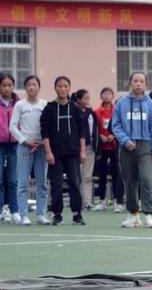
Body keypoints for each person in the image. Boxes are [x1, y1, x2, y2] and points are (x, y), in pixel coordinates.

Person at [112, 72, 152, 228]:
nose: (138, 84)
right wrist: (125, 141)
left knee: (147, 178)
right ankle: (133, 214)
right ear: (130, 83)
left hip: (145, 146)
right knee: (130, 182)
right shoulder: (121, 103)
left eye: (141, 81)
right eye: (135, 81)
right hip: (127, 148)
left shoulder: (151, 105)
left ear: (146, 84)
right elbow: (116, 125)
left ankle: (149, 214)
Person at [41, 76, 87, 226]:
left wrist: (82, 151)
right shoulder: (49, 109)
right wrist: (48, 152)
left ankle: (77, 214)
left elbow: (82, 132)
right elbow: (45, 132)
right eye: (59, 86)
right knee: (57, 185)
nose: (62, 89)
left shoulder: (75, 108)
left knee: (75, 182)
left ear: (69, 88)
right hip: (55, 154)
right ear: (55, 88)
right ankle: (57, 214)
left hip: (73, 153)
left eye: (65, 86)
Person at [9, 75, 48, 225]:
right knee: (22, 182)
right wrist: (25, 141)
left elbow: (48, 126)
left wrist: (42, 142)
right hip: (25, 146)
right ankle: (24, 214)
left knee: (42, 182)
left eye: (34, 85)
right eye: (29, 85)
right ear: (25, 88)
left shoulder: (45, 104)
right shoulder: (20, 105)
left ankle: (41, 214)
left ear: (39, 87)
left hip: (41, 146)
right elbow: (12, 126)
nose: (32, 87)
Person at [93, 87, 125, 212]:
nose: (107, 96)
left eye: (109, 94)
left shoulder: (116, 110)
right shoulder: (96, 112)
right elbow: (94, 128)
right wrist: (100, 135)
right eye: (104, 94)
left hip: (115, 146)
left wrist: (114, 135)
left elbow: (118, 126)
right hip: (102, 147)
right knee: (102, 174)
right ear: (101, 96)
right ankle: (101, 201)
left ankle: (118, 201)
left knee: (117, 173)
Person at [73, 89, 99, 211]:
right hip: (77, 149)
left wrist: (97, 148)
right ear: (78, 100)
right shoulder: (74, 111)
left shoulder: (91, 112)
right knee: (77, 176)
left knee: (87, 177)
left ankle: (87, 201)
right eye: (85, 98)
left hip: (91, 148)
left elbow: (95, 130)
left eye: (89, 98)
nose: (88, 101)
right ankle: (78, 201)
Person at [0, 73, 19, 224]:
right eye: (4, 85)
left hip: (14, 145)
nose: (7, 88)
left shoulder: (18, 103)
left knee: (13, 179)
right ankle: (0, 210)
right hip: (0, 144)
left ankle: (14, 211)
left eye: (10, 85)